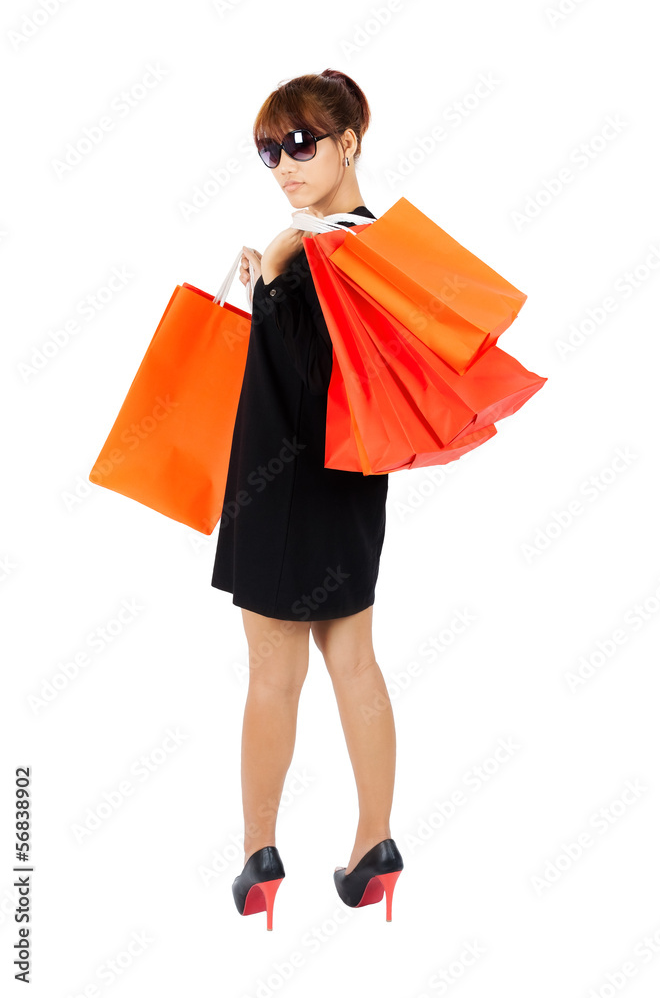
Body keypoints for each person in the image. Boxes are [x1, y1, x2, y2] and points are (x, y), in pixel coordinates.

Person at [213, 69, 403, 929]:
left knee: (271, 677)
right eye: (268, 150)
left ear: (350, 142)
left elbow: (301, 376)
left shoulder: (317, 245)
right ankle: (375, 847)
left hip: (279, 484)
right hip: (353, 485)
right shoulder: (370, 244)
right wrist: (273, 272)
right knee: (354, 661)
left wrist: (279, 268)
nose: (283, 165)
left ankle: (259, 859)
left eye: (300, 144)